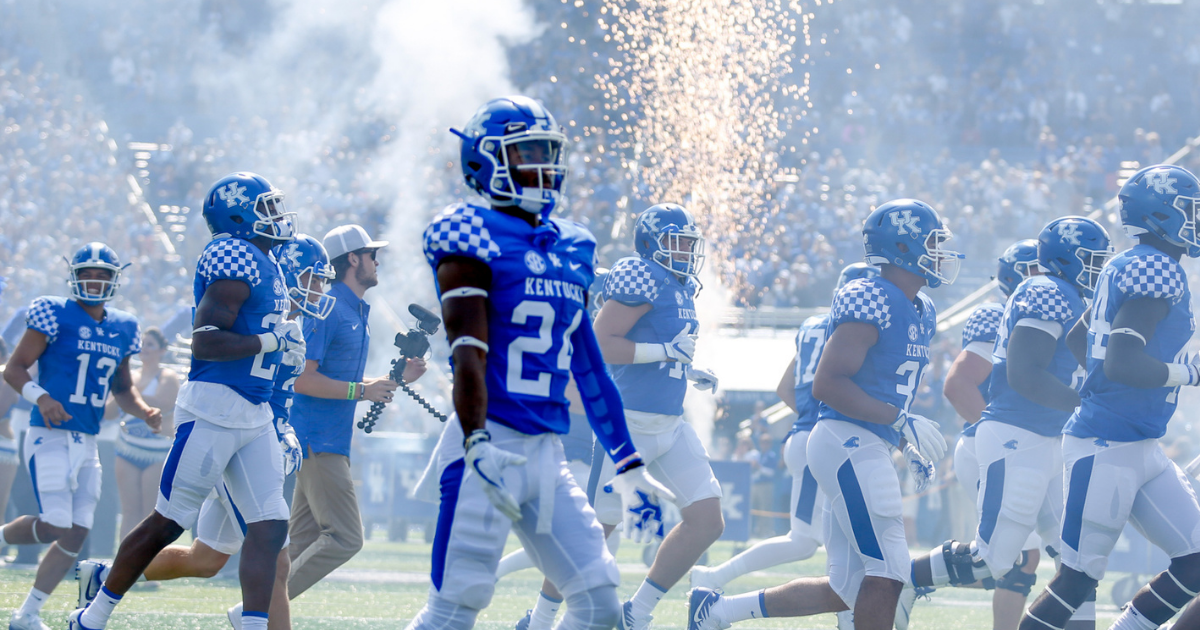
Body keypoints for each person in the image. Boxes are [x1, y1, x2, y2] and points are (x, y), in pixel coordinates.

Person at [406, 95, 671, 630]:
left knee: (599, 603)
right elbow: (468, 349)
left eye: (549, 153)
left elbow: (590, 368)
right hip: (488, 440)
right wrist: (476, 439)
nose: (545, 168)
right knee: (455, 609)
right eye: (528, 153)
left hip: (547, 449)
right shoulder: (469, 231)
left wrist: (629, 464)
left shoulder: (572, 245)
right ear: (486, 161)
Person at [688, 199, 958, 630]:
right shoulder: (874, 295)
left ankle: (717, 611)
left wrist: (907, 442)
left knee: (847, 585)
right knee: (889, 570)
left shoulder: (921, 310)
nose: (940, 252)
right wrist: (900, 421)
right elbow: (828, 384)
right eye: (931, 242)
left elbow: (882, 389)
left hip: (866, 442)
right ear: (903, 247)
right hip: (847, 440)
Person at [70, 172, 301, 630]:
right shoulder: (233, 256)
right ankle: (93, 616)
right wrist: (272, 343)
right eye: (265, 208)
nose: (276, 217)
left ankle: (253, 625)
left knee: (270, 526)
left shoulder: (266, 261)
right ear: (237, 216)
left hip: (254, 412)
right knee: (168, 521)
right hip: (215, 405)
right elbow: (207, 341)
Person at [1020, 165, 1200, 630]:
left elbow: (1082, 340)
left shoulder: (1133, 261)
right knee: (1076, 582)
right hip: (1106, 445)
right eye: (1187, 209)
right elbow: (1122, 362)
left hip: (1138, 442)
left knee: (1197, 561)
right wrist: (1190, 373)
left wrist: (1098, 388)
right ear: (1163, 215)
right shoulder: (1157, 266)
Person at [912, 217, 1111, 630]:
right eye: (1090, 260)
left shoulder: (1070, 300)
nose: (1098, 268)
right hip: (1017, 436)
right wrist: (1000, 428)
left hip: (1045, 439)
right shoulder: (1041, 295)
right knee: (999, 558)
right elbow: (970, 382)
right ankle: (900, 582)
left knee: (1074, 558)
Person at [689, 262, 877, 592]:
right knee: (804, 541)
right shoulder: (856, 329)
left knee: (842, 534)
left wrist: (807, 416)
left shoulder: (811, 327)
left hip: (809, 435)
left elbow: (784, 388)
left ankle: (851, 610)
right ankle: (714, 577)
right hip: (824, 438)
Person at [1, 243, 158, 630]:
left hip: (87, 440)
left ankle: (27, 614)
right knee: (56, 522)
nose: (94, 280)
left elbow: (123, 388)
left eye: (103, 274)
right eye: (88, 272)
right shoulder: (53, 312)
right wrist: (43, 398)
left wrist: (144, 410)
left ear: (114, 280)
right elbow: (15, 368)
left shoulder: (123, 325)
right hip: (48, 432)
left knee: (76, 532)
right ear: (74, 275)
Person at [587, 203, 722, 630]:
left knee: (706, 520)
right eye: (675, 242)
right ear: (650, 243)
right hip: (627, 423)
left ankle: (637, 612)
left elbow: (660, 345)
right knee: (597, 536)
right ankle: (544, 617)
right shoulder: (641, 273)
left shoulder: (679, 285)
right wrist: (665, 353)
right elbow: (601, 343)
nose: (685, 251)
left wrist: (681, 366)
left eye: (688, 243)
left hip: (669, 423)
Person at [285, 223, 426, 599]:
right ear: (352, 259)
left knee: (301, 545)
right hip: (319, 439)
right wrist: (362, 390)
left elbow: (343, 382)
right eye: (371, 255)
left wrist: (398, 379)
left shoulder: (350, 309)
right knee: (346, 539)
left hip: (323, 439)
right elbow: (302, 379)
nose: (377, 262)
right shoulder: (329, 307)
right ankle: (259, 613)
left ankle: (256, 615)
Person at [935, 239, 1042, 630]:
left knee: (1026, 556)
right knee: (1000, 555)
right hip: (993, 446)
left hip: (1026, 447)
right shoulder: (998, 316)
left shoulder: (1047, 316)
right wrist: (1003, 437)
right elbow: (959, 385)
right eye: (1039, 270)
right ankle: (909, 579)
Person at [107, 327, 179, 543]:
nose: (144, 348)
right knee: (129, 511)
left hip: (157, 451)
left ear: (162, 350)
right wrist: (113, 388)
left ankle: (149, 570)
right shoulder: (129, 376)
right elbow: (109, 412)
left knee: (150, 512)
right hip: (127, 448)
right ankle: (123, 570)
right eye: (142, 344)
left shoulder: (167, 375)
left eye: (150, 344)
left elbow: (164, 402)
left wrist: (127, 393)